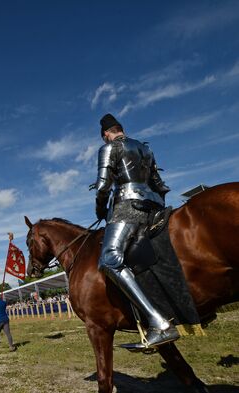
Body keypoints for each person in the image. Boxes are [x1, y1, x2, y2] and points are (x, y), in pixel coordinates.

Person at [94, 113, 179, 349]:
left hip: (128, 206)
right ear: (121, 128)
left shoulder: (109, 148)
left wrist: (100, 209)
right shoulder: (144, 148)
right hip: (154, 207)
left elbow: (103, 186)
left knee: (110, 259)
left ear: (105, 134)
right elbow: (160, 184)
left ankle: (158, 322)